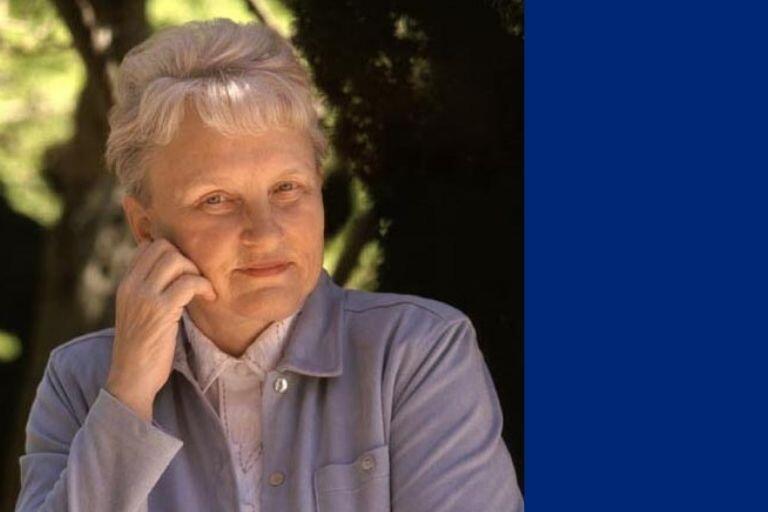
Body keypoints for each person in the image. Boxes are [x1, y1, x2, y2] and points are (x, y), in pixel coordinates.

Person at [15, 19, 523, 512]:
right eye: (216, 199)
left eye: (287, 188)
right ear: (145, 226)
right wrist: (126, 399)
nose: (265, 231)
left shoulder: (417, 353)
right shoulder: (81, 381)